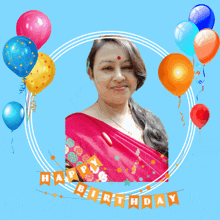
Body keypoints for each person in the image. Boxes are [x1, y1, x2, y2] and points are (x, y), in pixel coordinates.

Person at [65, 35, 168, 182]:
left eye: (127, 67)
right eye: (107, 68)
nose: (119, 77)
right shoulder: (71, 133)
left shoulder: (151, 121)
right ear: (91, 74)